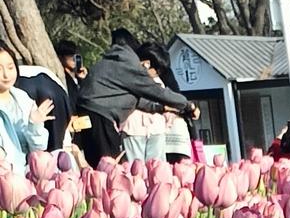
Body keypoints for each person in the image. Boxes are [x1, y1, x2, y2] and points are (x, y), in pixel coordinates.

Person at [79, 28, 196, 163]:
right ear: (146, 63)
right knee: (109, 167)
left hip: (87, 112)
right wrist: (187, 105)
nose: (155, 76)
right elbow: (158, 92)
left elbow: (135, 100)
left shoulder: (114, 61)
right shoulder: (131, 66)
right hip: (101, 117)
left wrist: (161, 108)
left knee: (96, 165)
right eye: (156, 71)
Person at [16, 35, 80, 148]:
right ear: (59, 57)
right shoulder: (51, 77)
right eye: (70, 55)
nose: (74, 59)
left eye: (75, 56)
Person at [0, 46, 50, 168]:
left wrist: (35, 124)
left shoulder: (23, 99)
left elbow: (38, 149)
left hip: (27, 177)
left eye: (10, 67)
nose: (6, 74)